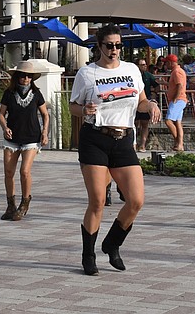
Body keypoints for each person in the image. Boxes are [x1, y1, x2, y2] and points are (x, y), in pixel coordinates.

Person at [69, 24, 160, 276]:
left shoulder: (131, 70)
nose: (114, 50)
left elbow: (141, 100)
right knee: (98, 201)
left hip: (123, 140)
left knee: (136, 200)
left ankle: (112, 243)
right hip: (95, 139)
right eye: (109, 45)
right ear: (99, 46)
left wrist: (151, 105)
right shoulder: (87, 73)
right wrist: (83, 109)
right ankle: (88, 255)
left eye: (118, 45)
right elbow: (72, 106)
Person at [0, 60, 49, 221]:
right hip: (12, 137)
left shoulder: (36, 94)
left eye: (29, 76)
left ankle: (25, 202)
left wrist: (45, 132)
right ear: (17, 77)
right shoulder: (9, 93)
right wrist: (5, 127)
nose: (26, 79)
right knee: (8, 172)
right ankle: (10, 205)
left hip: (31, 137)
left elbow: (45, 114)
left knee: (24, 171)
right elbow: (1, 114)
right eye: (22, 76)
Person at [134, 57, 159, 152]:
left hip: (145, 101)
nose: (144, 66)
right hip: (134, 102)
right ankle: (134, 143)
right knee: (134, 124)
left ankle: (142, 145)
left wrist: (154, 94)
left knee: (145, 124)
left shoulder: (148, 75)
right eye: (142, 65)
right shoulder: (132, 75)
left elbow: (156, 85)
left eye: (145, 64)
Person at [164, 54, 187, 151]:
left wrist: (175, 98)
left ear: (170, 62)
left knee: (168, 121)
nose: (165, 65)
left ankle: (178, 142)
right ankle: (180, 144)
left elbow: (179, 85)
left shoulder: (177, 71)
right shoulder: (177, 71)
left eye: (166, 63)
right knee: (178, 122)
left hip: (178, 100)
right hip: (180, 99)